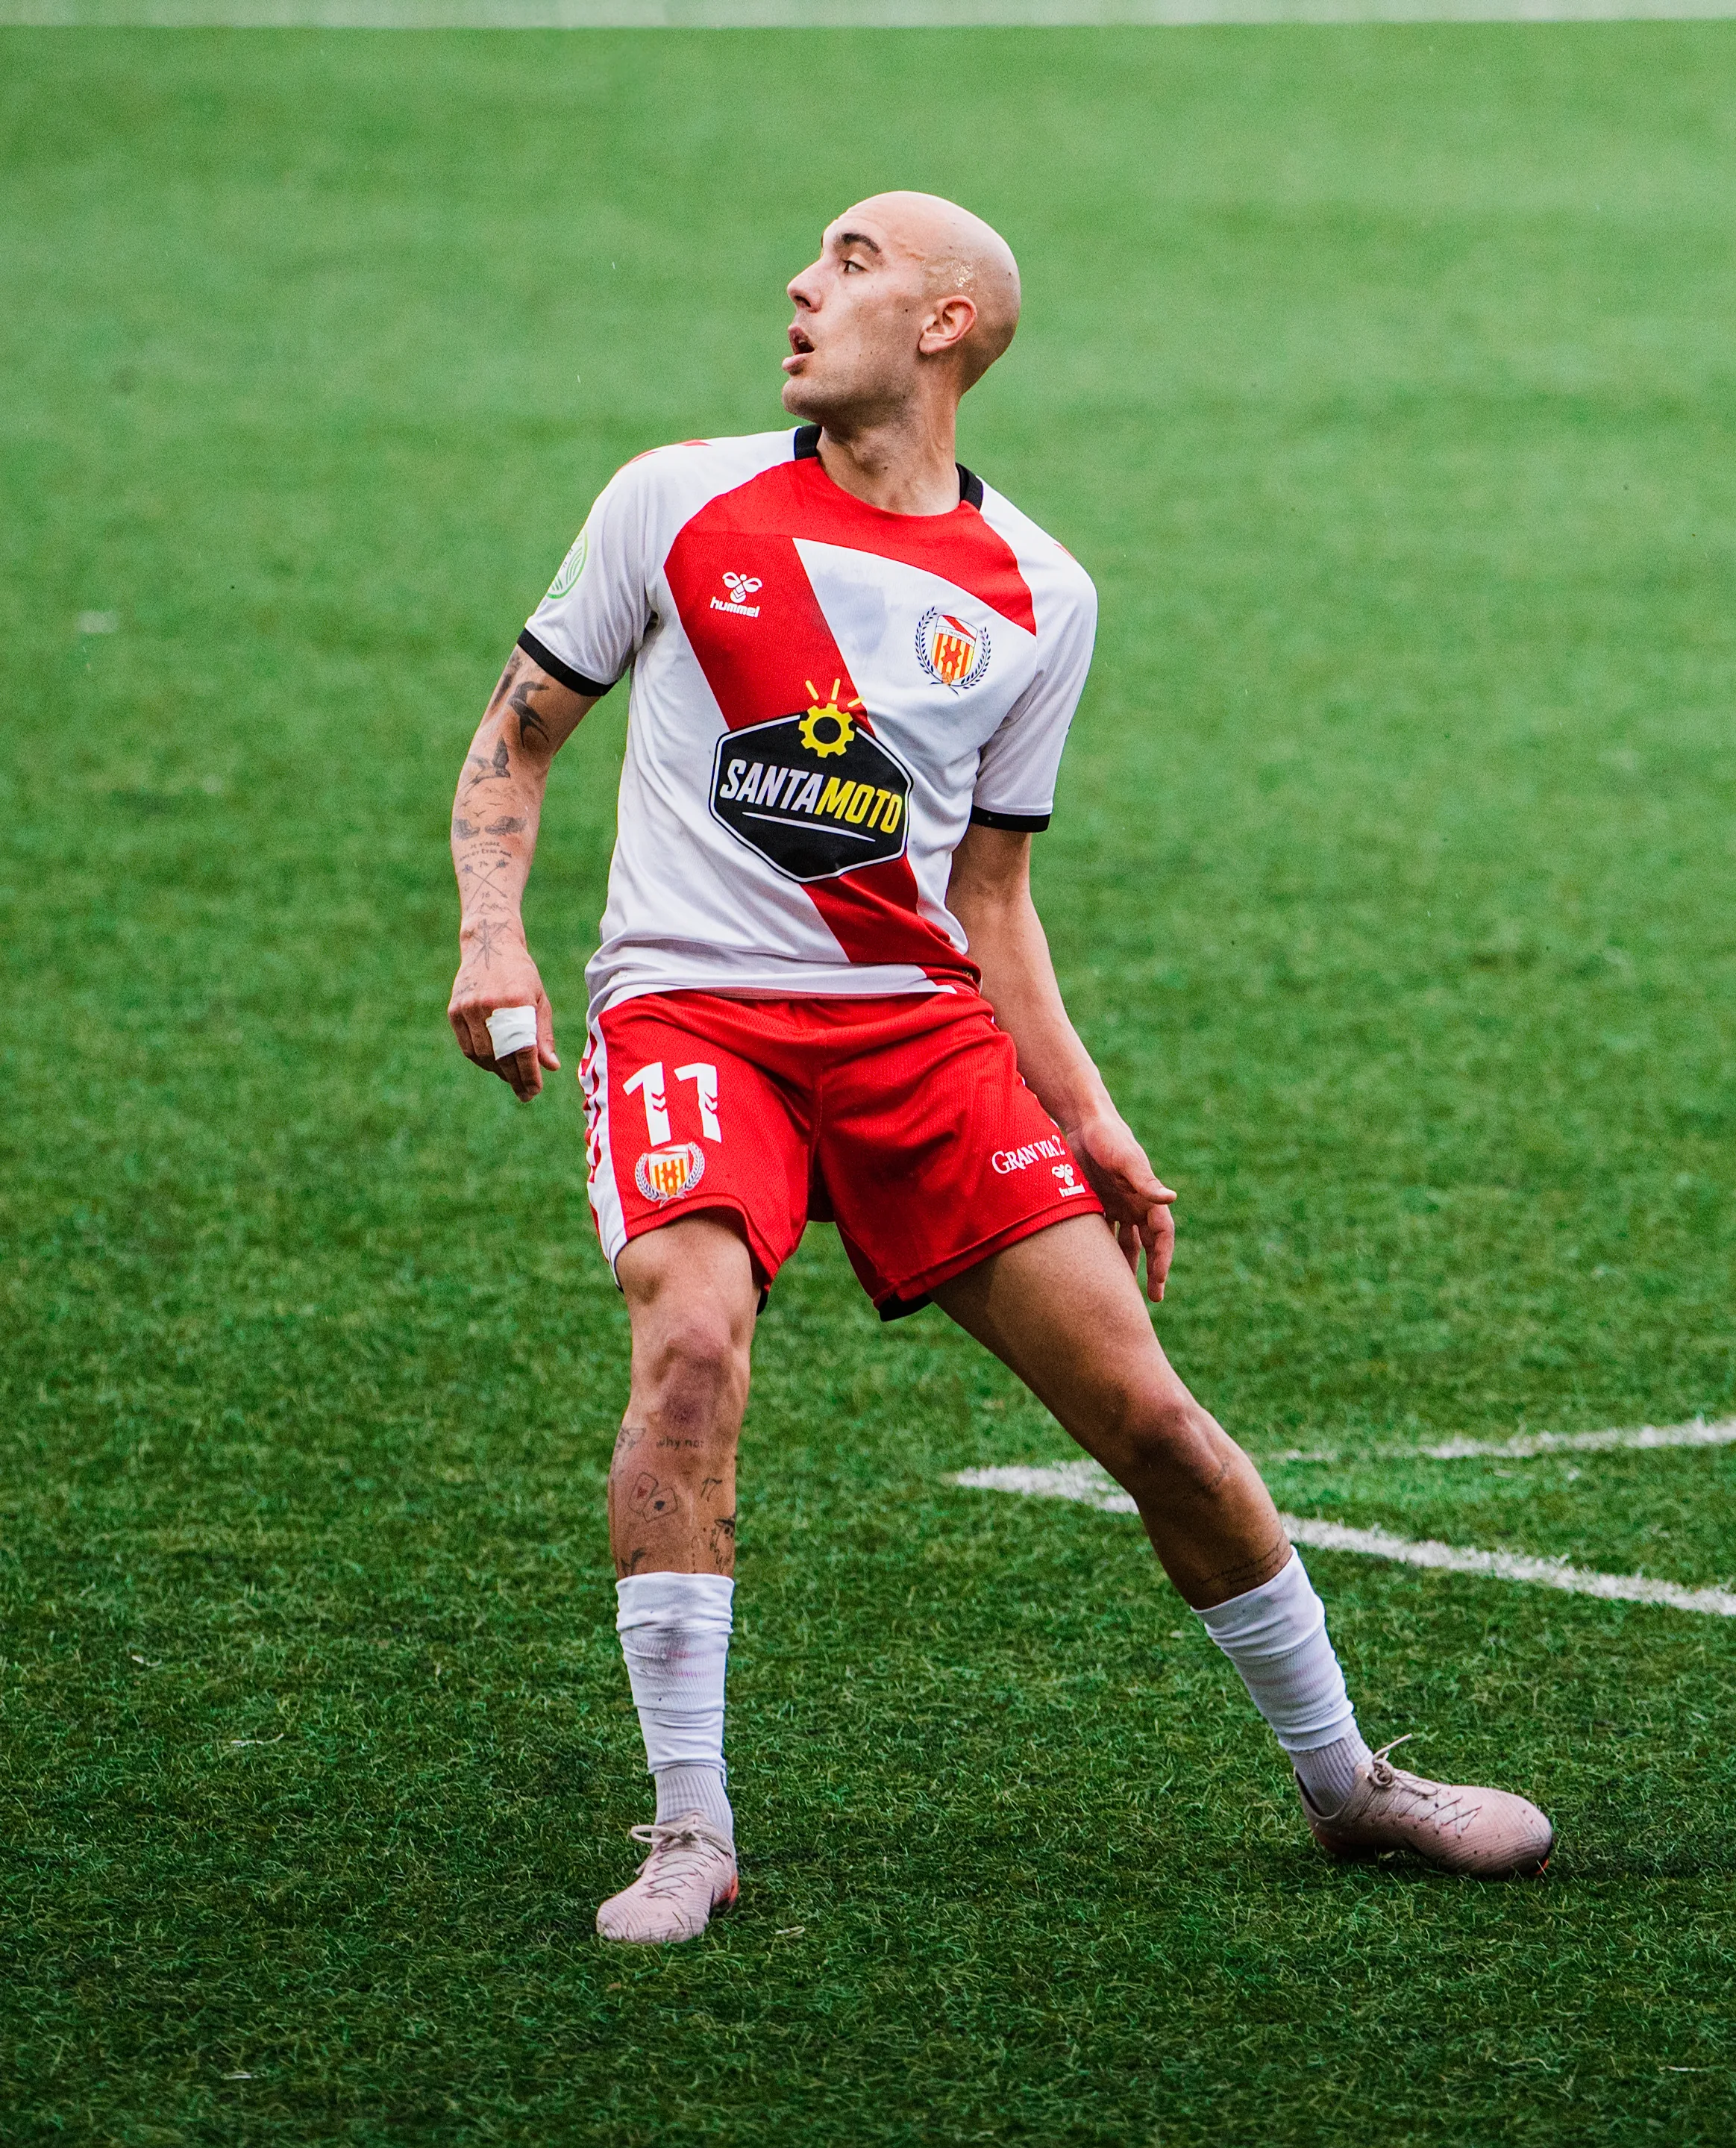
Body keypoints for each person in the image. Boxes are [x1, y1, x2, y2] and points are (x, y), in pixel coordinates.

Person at [446, 192, 1552, 1946]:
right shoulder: (675, 498)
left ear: (949, 323)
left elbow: (990, 898)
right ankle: (688, 1825)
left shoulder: (1041, 592)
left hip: (916, 1038)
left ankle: (1349, 1782)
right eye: (807, 258)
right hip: (692, 1013)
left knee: (1152, 1419)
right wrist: (491, 934)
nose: (801, 286)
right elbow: (515, 737)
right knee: (689, 1345)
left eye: (851, 263)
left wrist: (1089, 1112)